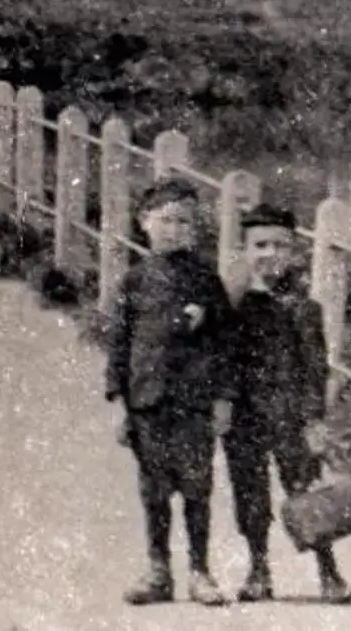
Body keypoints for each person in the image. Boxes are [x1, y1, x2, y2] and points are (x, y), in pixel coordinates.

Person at [106, 177, 234, 607]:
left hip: (194, 403)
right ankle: (158, 570)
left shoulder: (206, 280)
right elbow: (119, 345)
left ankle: (200, 570)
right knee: (154, 489)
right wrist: (118, 403)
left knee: (197, 487)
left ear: (194, 229)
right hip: (148, 401)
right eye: (165, 220)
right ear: (144, 223)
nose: (173, 229)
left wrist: (222, 399)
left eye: (183, 222)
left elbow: (225, 344)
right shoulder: (134, 281)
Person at [227, 201, 351, 604]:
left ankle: (328, 572)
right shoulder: (231, 308)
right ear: (245, 251)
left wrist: (315, 420)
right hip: (244, 416)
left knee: (305, 493)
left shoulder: (303, 308)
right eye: (260, 245)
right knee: (250, 493)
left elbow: (316, 369)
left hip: (290, 416)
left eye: (280, 246)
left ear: (294, 252)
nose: (269, 254)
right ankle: (258, 568)